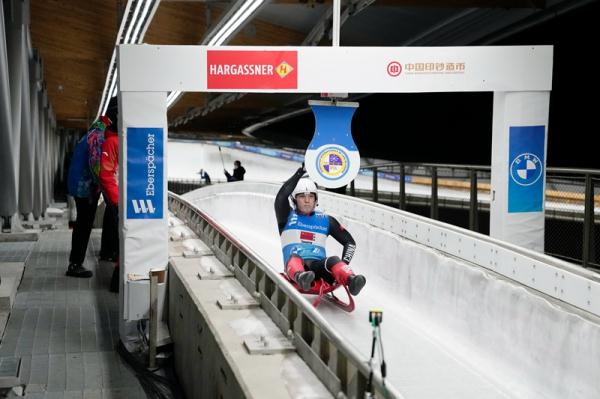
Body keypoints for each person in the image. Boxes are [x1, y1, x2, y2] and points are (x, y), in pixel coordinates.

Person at [274, 164, 366, 295]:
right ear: (294, 200)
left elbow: (350, 243)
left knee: (333, 260)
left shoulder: (326, 220)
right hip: (296, 267)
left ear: (315, 200)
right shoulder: (287, 216)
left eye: (310, 197)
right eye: (302, 197)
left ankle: (351, 280)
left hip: (319, 268)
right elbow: (281, 197)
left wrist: (343, 264)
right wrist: (300, 172)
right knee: (294, 258)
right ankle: (301, 277)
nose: (307, 201)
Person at [65, 115, 113, 277]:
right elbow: (96, 165)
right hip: (84, 188)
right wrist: (106, 188)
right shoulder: (97, 137)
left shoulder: (90, 134)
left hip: (80, 185)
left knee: (82, 224)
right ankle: (75, 264)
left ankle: (75, 262)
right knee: (84, 225)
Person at [97, 97, 120, 292]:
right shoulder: (112, 142)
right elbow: (106, 173)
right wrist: (117, 201)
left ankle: (108, 252)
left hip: (115, 195)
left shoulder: (114, 139)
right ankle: (116, 280)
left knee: (113, 225)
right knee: (118, 229)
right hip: (116, 195)